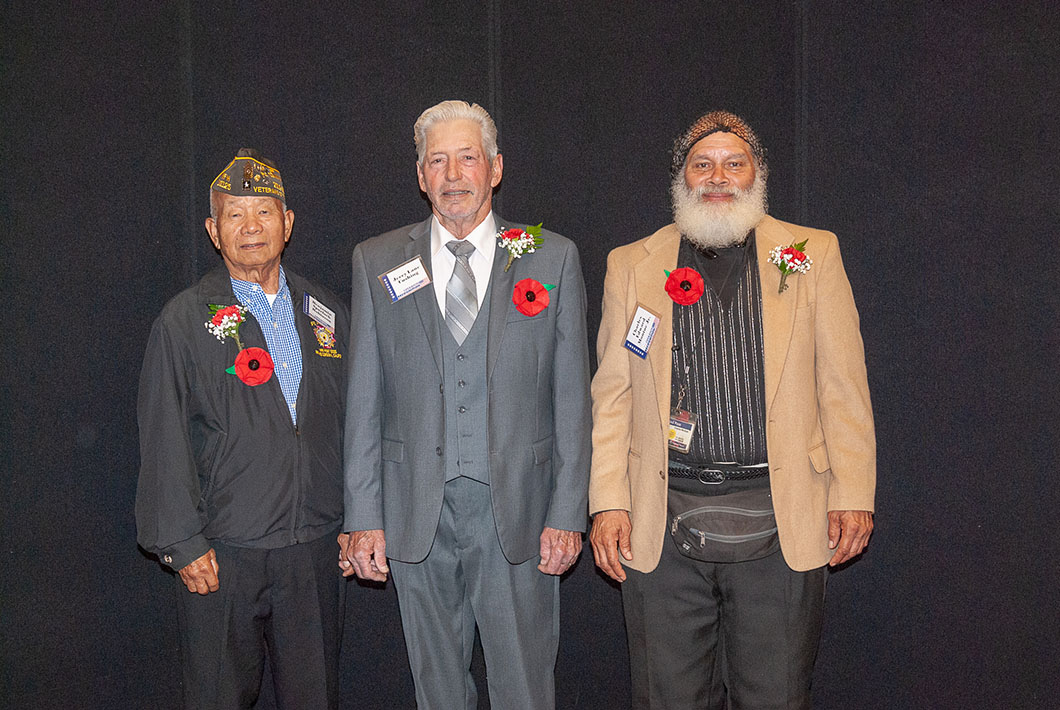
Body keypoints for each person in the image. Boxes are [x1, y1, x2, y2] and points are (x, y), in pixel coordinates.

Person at [588, 111, 876, 709]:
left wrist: (854, 491)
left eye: (733, 163)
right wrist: (608, 501)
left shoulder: (812, 254)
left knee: (775, 698)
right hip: (661, 529)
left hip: (782, 523)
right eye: (703, 164)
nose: (718, 177)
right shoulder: (632, 265)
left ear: (757, 175)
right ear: (682, 178)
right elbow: (613, 396)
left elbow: (842, 385)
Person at [339, 100, 591, 710]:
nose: (454, 175)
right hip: (414, 510)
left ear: (496, 168)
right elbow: (363, 400)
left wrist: (568, 510)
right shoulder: (377, 261)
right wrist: (362, 514)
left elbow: (572, 398)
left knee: (525, 688)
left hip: (521, 512)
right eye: (438, 161)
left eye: (468, 158)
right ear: (421, 176)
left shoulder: (551, 256)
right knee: (437, 692)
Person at [135, 148, 348, 709]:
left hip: (315, 547)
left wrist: (360, 518)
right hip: (224, 554)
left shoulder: (326, 309)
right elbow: (163, 436)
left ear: (288, 222)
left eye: (264, 212)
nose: (251, 226)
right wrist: (180, 541)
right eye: (234, 215)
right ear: (213, 230)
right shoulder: (183, 320)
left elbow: (357, 422)